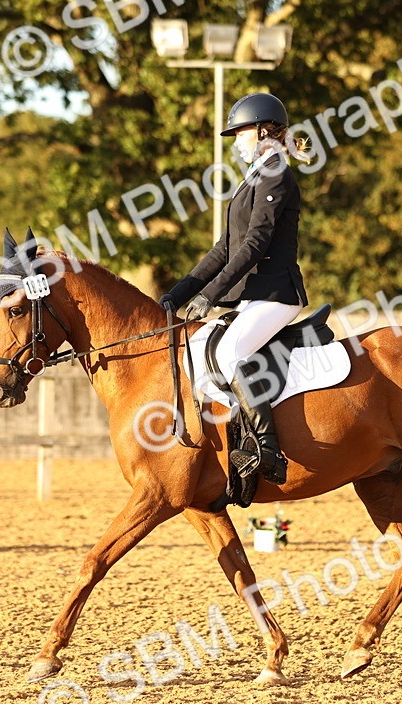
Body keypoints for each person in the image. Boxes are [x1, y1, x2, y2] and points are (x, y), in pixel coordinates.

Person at [158, 92, 310, 485]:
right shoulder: (254, 178)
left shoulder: (276, 171)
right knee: (199, 354)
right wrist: (181, 292)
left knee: (230, 351)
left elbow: (255, 244)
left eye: (240, 132)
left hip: (276, 294)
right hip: (252, 296)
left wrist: (210, 296)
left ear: (262, 130)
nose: (236, 141)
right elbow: (224, 248)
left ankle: (267, 450)